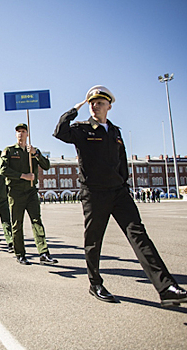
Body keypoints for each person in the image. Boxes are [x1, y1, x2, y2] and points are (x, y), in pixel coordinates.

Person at [53, 85, 186, 306]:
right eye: (92, 102)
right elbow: (59, 132)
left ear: (109, 106)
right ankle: (95, 283)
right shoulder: (82, 129)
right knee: (94, 241)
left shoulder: (115, 131)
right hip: (95, 193)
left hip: (118, 192)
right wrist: (74, 109)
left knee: (139, 236)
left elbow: (121, 161)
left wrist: (123, 183)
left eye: (100, 103)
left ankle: (166, 287)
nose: (96, 106)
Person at [0, 123, 58, 265]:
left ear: (27, 134)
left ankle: (44, 253)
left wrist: (36, 154)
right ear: (15, 135)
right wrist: (23, 176)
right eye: (18, 131)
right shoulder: (9, 151)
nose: (21, 134)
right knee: (17, 223)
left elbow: (47, 165)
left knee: (37, 221)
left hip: (31, 192)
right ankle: (20, 253)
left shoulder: (32, 150)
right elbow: (3, 170)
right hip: (16, 192)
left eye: (23, 131)